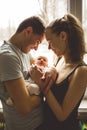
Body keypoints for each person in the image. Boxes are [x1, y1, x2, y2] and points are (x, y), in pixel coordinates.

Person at [30, 13, 87, 130]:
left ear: (63, 36)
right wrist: (50, 68)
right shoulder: (59, 58)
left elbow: (62, 115)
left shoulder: (81, 71)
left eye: (50, 41)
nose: (49, 48)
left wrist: (41, 84)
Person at [0, 16, 57, 130]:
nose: (36, 48)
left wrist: (52, 69)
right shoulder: (7, 56)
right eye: (37, 42)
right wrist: (43, 90)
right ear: (28, 31)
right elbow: (24, 107)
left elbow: (41, 68)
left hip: (40, 123)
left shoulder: (24, 52)